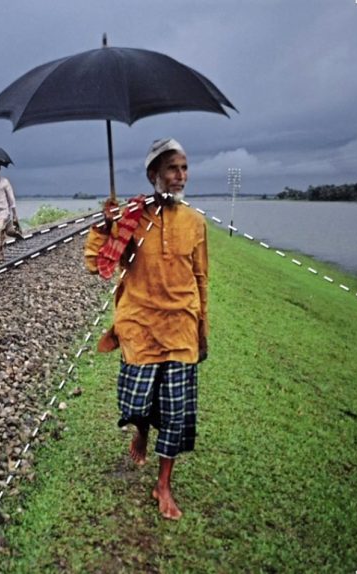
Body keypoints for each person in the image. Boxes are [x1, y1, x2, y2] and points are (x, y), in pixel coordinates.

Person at [83, 138, 209, 520]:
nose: (180, 176)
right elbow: (94, 263)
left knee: (175, 413)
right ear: (154, 174)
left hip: (181, 328)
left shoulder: (196, 221)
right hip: (139, 325)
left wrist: (202, 329)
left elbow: (201, 278)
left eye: (185, 168)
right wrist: (106, 226)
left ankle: (163, 485)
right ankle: (141, 429)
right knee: (135, 403)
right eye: (173, 168)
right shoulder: (132, 218)